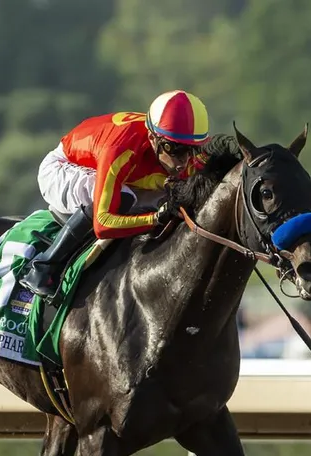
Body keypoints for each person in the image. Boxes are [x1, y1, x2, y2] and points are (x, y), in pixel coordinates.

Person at [18, 90, 211, 300]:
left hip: (126, 174)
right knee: (124, 198)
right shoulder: (121, 148)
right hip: (62, 168)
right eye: (175, 150)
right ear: (154, 139)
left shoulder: (185, 152)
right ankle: (43, 266)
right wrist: (155, 219)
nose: (184, 161)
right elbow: (103, 224)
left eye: (192, 150)